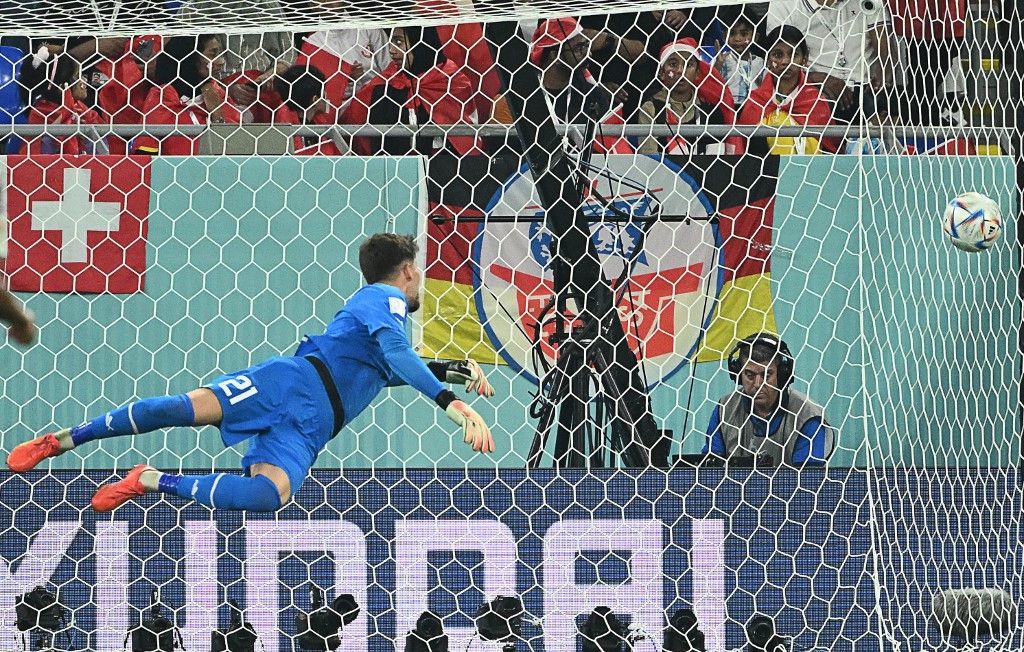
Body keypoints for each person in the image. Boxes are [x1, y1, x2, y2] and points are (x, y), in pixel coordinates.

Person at [7, 234, 495, 512]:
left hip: (313, 426)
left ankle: (149, 479)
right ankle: (64, 441)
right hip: (294, 382)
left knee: (266, 496)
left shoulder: (381, 323)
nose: (421, 284)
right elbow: (398, 352)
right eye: (420, 273)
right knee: (183, 409)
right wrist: (450, 404)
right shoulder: (383, 299)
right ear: (407, 271)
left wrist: (456, 369)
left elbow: (394, 368)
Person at [348, 26, 483, 157]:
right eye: (391, 42)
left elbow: (467, 135)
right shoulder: (384, 86)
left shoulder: (451, 81)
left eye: (399, 42)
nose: (391, 50)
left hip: (446, 168)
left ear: (420, 43)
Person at [703, 333, 833, 467]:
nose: (758, 384)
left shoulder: (807, 417)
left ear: (782, 374)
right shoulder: (724, 410)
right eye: (750, 375)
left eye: (766, 374)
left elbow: (807, 482)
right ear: (738, 374)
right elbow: (711, 475)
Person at [766, 0, 890, 123]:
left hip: (864, 89)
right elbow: (777, 61)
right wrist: (816, 78)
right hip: (812, 90)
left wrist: (882, 77)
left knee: (886, 118)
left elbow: (888, 54)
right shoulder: (784, 4)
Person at [133, 34, 241, 155]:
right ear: (190, 57)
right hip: (171, 171)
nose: (221, 62)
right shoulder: (162, 97)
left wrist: (217, 115)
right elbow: (145, 152)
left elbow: (237, 145)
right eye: (212, 54)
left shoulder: (217, 94)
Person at [738, 26, 836, 156]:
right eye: (778, 55)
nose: (785, 61)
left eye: (793, 54)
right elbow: (744, 147)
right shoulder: (755, 101)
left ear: (804, 59)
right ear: (767, 60)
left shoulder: (816, 101)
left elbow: (829, 147)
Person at [636, 38, 737, 155]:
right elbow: (649, 160)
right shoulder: (651, 109)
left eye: (688, 64)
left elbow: (715, 161)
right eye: (673, 64)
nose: (680, 70)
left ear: (697, 73)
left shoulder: (711, 112)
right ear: (661, 73)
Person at [21, 53, 105, 155]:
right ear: (62, 87)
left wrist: (88, 138)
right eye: (78, 76)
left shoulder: (85, 113)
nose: (85, 80)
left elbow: (106, 154)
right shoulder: (40, 114)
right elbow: (35, 159)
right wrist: (53, 134)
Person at [273, 64, 345, 155]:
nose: (327, 97)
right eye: (324, 92)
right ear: (315, 99)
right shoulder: (287, 132)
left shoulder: (319, 122)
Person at [713, 8, 765, 107]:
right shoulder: (722, 60)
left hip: (753, 108)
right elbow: (711, 84)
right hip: (728, 106)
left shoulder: (760, 62)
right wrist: (718, 65)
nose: (737, 39)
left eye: (744, 34)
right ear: (724, 36)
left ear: (755, 37)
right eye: (732, 33)